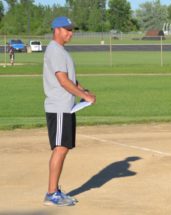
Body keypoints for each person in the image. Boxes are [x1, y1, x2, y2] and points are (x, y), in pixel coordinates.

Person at [43, 16, 96, 206]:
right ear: (56, 29)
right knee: (60, 149)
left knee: (63, 148)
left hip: (66, 107)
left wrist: (84, 91)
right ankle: (51, 194)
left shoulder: (61, 51)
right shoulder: (55, 50)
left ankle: (55, 190)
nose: (70, 33)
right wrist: (86, 96)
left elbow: (71, 80)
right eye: (67, 29)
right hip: (59, 108)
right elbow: (63, 81)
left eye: (72, 30)